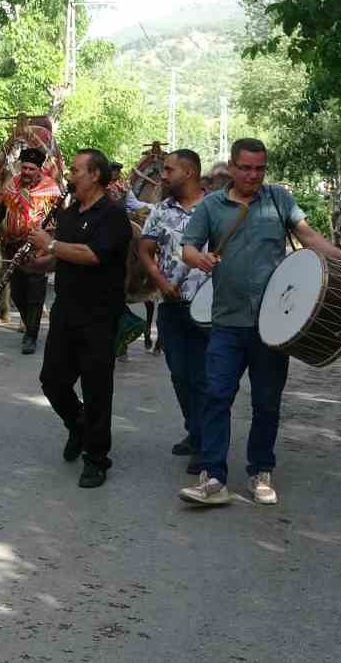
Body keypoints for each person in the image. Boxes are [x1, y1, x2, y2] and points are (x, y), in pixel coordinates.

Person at [177, 138, 341, 508]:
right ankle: (213, 477)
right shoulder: (212, 205)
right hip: (227, 322)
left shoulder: (278, 200)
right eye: (245, 168)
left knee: (267, 402)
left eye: (259, 168)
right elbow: (188, 248)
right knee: (216, 396)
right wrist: (199, 260)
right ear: (231, 167)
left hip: (273, 325)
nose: (252, 175)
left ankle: (261, 471)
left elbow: (308, 238)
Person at [28, 148, 130, 489]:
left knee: (97, 387)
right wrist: (34, 262)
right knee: (52, 381)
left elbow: (91, 255)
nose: (69, 176)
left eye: (74, 171)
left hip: (99, 315)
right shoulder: (70, 214)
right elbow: (60, 257)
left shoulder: (113, 216)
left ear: (95, 175)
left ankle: (97, 458)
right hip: (66, 311)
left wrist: (52, 245)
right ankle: (79, 425)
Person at [137, 149, 210, 474]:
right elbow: (145, 249)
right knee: (180, 374)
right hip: (172, 305)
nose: (162, 176)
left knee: (204, 377)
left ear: (189, 173)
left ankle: (205, 442)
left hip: (209, 309)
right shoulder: (160, 210)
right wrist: (160, 281)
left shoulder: (216, 208)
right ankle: (195, 431)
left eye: (168, 170)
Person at [0, 147, 60, 354]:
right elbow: (2, 210)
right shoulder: (12, 185)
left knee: (34, 293)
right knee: (19, 293)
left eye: (31, 169)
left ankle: (31, 335)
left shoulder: (51, 190)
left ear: (39, 170)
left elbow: (58, 223)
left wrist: (49, 246)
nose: (27, 172)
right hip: (13, 246)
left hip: (36, 247)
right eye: (24, 168)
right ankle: (28, 321)